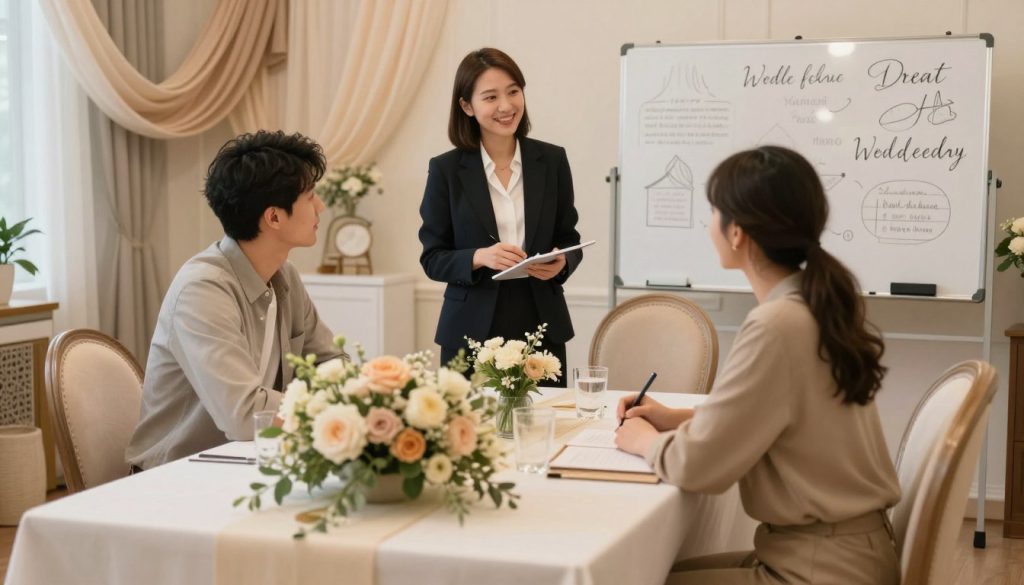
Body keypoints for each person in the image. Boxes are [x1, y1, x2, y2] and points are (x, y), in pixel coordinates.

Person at [615, 146, 901, 584]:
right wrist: (674, 418)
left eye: (713, 211)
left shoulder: (777, 324)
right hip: (841, 553)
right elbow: (780, 415)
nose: (708, 224)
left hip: (820, 569)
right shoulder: (812, 303)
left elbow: (698, 467)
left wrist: (644, 441)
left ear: (737, 233)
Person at [126, 130, 346, 471]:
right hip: (179, 474)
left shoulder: (285, 276)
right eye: (311, 196)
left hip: (251, 460)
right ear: (274, 217)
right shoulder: (202, 290)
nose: (321, 206)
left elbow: (332, 362)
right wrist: (335, 405)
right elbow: (244, 415)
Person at [418, 48, 582, 385]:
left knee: (543, 429)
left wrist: (562, 262)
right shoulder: (446, 170)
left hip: (541, 326)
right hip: (470, 330)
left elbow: (569, 239)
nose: (506, 106)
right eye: (490, 97)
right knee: (469, 433)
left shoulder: (552, 161)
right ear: (466, 106)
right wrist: (479, 257)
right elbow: (433, 258)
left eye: (513, 91)